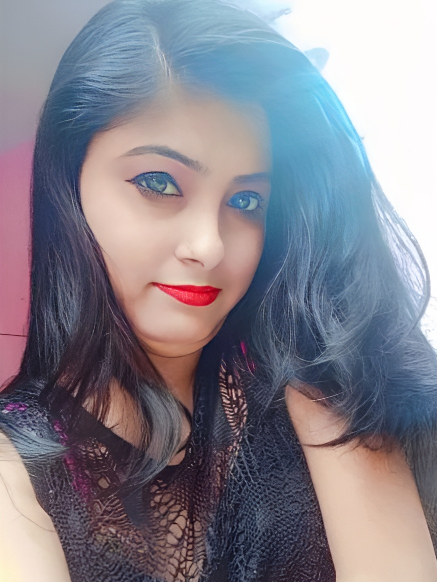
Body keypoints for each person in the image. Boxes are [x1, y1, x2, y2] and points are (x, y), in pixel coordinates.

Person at [1, 0, 436, 580]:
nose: (209, 246)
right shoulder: (14, 469)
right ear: (69, 186)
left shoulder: (325, 391)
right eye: (159, 183)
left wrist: (334, 399)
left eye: (246, 200)